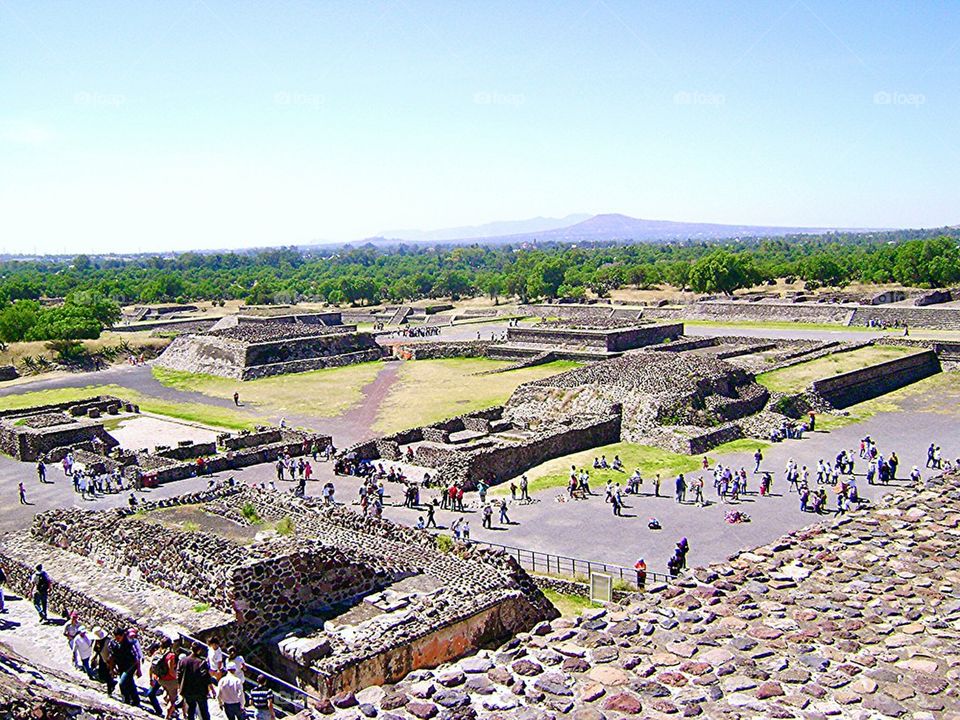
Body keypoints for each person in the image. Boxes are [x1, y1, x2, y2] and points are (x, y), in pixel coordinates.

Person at [178, 641, 214, 720]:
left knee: (191, 709)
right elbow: (206, 678)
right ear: (199, 650)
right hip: (200, 692)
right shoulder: (201, 663)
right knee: (204, 712)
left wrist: (180, 687)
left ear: (191, 649)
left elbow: (179, 675)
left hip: (187, 690)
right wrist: (211, 690)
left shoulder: (183, 661)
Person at [109, 626, 140, 706]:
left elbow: (137, 657)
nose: (117, 639)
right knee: (129, 682)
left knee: (122, 683)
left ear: (123, 635)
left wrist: (139, 670)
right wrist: (112, 669)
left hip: (130, 665)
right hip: (121, 665)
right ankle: (135, 700)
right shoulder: (113, 643)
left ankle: (126, 699)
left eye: (119, 637)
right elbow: (112, 657)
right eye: (116, 637)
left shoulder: (130, 643)